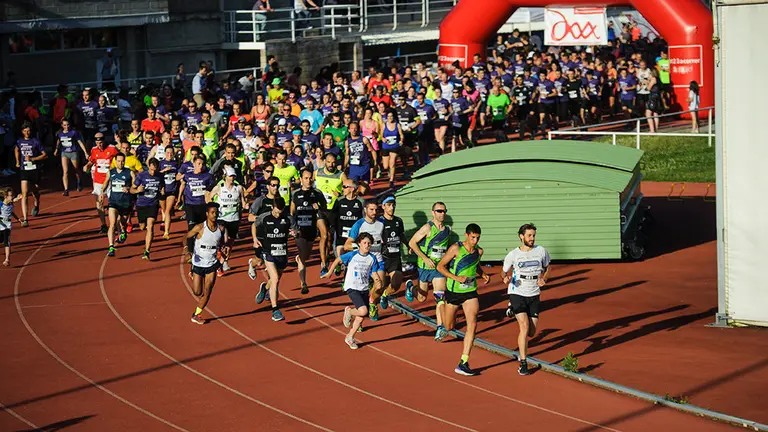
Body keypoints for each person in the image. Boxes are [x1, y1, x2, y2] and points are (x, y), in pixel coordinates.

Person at [437, 223, 490, 376]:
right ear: (466, 235)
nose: (475, 241)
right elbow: (440, 267)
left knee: (472, 323)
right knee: (448, 327)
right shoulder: (456, 248)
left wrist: (483, 274)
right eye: (473, 237)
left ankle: (464, 361)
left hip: (470, 292)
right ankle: (440, 302)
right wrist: (456, 278)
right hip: (453, 292)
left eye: (478, 238)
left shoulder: (479, 251)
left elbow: (475, 265)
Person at [501, 223, 550, 376]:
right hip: (517, 291)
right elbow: (503, 273)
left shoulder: (541, 251)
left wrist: (544, 278)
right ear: (521, 236)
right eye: (529, 235)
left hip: (534, 293)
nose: (532, 238)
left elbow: (548, 267)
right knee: (524, 327)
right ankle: (523, 363)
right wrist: (506, 278)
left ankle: (511, 310)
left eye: (534, 235)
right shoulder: (513, 255)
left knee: (532, 332)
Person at [322, 232, 382, 349]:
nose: (367, 245)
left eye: (369, 243)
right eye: (364, 243)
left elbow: (374, 272)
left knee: (360, 317)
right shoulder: (352, 255)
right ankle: (349, 311)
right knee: (363, 311)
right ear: (359, 244)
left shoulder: (372, 258)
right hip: (352, 286)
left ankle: (350, 337)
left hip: (364, 288)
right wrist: (329, 273)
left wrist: (377, 281)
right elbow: (338, 259)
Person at [406, 201, 451, 340]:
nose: (442, 213)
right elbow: (412, 243)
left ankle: (440, 327)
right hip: (425, 267)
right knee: (422, 297)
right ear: (433, 212)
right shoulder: (427, 228)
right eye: (439, 211)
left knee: (440, 297)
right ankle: (411, 288)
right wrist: (425, 258)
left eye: (444, 211)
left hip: (438, 268)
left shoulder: (448, 230)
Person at [188, 202, 229, 325]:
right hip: (198, 263)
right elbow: (186, 237)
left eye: (216, 212)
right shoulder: (200, 227)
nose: (215, 215)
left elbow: (222, 243)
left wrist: (223, 250)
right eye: (212, 212)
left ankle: (196, 314)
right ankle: (193, 274)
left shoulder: (221, 229)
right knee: (197, 292)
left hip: (212, 264)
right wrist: (186, 251)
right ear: (207, 214)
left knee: (208, 290)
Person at [344, 200, 386, 320]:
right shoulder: (359, 224)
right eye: (371, 210)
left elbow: (384, 239)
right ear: (365, 210)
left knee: (380, 285)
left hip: (377, 259)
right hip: (362, 262)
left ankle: (372, 302)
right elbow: (347, 245)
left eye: (376, 210)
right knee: (361, 294)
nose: (374, 212)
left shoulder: (381, 223)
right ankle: (356, 316)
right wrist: (362, 247)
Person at [253, 197, 293, 322]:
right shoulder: (264, 217)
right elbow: (254, 225)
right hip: (268, 252)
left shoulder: (288, 218)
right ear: (272, 208)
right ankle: (275, 310)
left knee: (275, 279)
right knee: (275, 279)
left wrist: (294, 233)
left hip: (282, 253)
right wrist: (255, 239)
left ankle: (265, 288)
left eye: (280, 213)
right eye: (276, 212)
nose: (277, 214)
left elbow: (295, 230)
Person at [291, 168, 326, 294]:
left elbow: (324, 207)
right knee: (302, 256)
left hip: (311, 229)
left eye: (310, 178)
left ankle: (300, 259)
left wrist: (319, 207)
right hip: (300, 229)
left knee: (305, 256)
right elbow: (292, 211)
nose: (309, 180)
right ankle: (303, 283)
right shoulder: (295, 193)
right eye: (306, 178)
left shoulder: (317, 193)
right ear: (301, 179)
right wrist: (293, 227)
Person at [210, 165, 247, 276]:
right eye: (230, 176)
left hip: (234, 218)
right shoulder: (219, 187)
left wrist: (246, 205)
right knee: (225, 240)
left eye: (233, 176)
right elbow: (209, 197)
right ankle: (219, 252)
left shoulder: (239, 188)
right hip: (222, 218)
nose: (232, 178)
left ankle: (222, 263)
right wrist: (211, 209)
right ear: (225, 176)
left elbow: (243, 201)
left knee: (230, 243)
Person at [314, 152, 347, 276]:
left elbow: (348, 190)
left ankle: (331, 259)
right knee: (324, 236)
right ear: (324, 162)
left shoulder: (341, 175)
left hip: (334, 210)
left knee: (331, 238)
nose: (331, 164)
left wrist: (341, 195)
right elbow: (308, 186)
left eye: (333, 162)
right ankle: (323, 264)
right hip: (321, 210)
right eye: (328, 162)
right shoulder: (317, 173)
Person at [178, 155, 214, 262]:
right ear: (193, 164)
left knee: (202, 229)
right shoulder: (187, 176)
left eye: (202, 164)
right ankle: (189, 251)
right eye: (198, 164)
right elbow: (181, 183)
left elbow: (211, 190)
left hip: (202, 206)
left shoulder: (208, 176)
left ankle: (200, 250)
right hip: (190, 205)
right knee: (191, 227)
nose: (200, 166)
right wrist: (179, 198)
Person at [85, 132, 119, 234]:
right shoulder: (94, 150)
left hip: (111, 180)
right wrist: (87, 166)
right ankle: (103, 225)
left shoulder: (112, 149)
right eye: (97, 142)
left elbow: (120, 159)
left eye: (101, 142)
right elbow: (92, 161)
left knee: (113, 204)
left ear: (104, 140)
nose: (99, 144)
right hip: (98, 181)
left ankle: (114, 225)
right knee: (99, 203)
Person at [103, 152, 136, 257]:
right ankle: (111, 246)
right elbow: (105, 183)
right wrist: (101, 193)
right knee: (112, 224)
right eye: (118, 161)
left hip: (125, 203)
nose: (120, 163)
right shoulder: (110, 172)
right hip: (113, 202)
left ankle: (123, 231)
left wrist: (129, 188)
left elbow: (135, 186)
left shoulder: (129, 173)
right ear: (115, 161)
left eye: (122, 161)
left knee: (122, 223)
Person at [14, 122, 47, 226]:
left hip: (35, 170)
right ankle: (25, 219)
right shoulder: (19, 141)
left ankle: (37, 203)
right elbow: (16, 149)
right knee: (24, 194)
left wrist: (33, 159)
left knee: (35, 191)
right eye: (25, 131)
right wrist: (17, 161)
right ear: (22, 132)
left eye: (28, 131)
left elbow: (45, 155)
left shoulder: (35, 141)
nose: (27, 133)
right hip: (24, 170)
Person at [376, 195, 406, 310]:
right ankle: (372, 303)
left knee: (396, 284)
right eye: (388, 205)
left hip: (395, 257)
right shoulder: (379, 221)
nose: (392, 207)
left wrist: (408, 245)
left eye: (393, 205)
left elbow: (401, 235)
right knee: (379, 286)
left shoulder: (398, 221)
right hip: (382, 257)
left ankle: (385, 295)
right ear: (383, 206)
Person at [131, 158, 164, 260]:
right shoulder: (141, 176)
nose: (153, 172)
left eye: (155, 169)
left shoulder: (160, 176)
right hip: (141, 204)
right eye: (151, 169)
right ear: (149, 166)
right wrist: (137, 190)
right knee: (142, 226)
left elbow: (162, 187)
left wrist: (162, 191)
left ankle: (147, 251)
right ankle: (142, 224)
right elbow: (131, 189)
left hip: (153, 204)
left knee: (150, 226)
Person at [54, 119, 87, 195]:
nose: (66, 127)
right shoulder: (60, 133)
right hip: (64, 153)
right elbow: (58, 141)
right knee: (65, 171)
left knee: (76, 170)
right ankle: (66, 189)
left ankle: (79, 181)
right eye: (65, 125)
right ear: (62, 126)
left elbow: (80, 142)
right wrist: (56, 150)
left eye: (68, 125)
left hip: (73, 153)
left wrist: (85, 152)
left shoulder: (73, 133)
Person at [344, 122, 376, 195]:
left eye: (355, 128)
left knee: (363, 191)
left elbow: (373, 151)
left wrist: (375, 163)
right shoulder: (347, 142)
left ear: (358, 129)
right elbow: (347, 155)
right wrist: (345, 166)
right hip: (354, 167)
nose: (354, 130)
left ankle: (367, 188)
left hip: (364, 166)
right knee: (352, 189)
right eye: (352, 128)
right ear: (349, 130)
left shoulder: (364, 139)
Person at [158, 146, 179, 240]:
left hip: (172, 190)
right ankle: (165, 220)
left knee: (167, 211)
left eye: (171, 153)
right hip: (163, 190)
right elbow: (156, 175)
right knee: (164, 209)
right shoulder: (161, 163)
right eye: (167, 153)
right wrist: (164, 171)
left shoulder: (176, 163)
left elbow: (178, 175)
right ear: (164, 153)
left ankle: (166, 232)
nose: (169, 155)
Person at [0, 187, 22, 266]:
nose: (12, 197)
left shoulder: (11, 205)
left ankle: (7, 259)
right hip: (0, 224)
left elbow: (12, 212)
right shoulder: (1, 204)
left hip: (7, 226)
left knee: (7, 242)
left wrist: (19, 219)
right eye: (11, 195)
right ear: (6, 197)